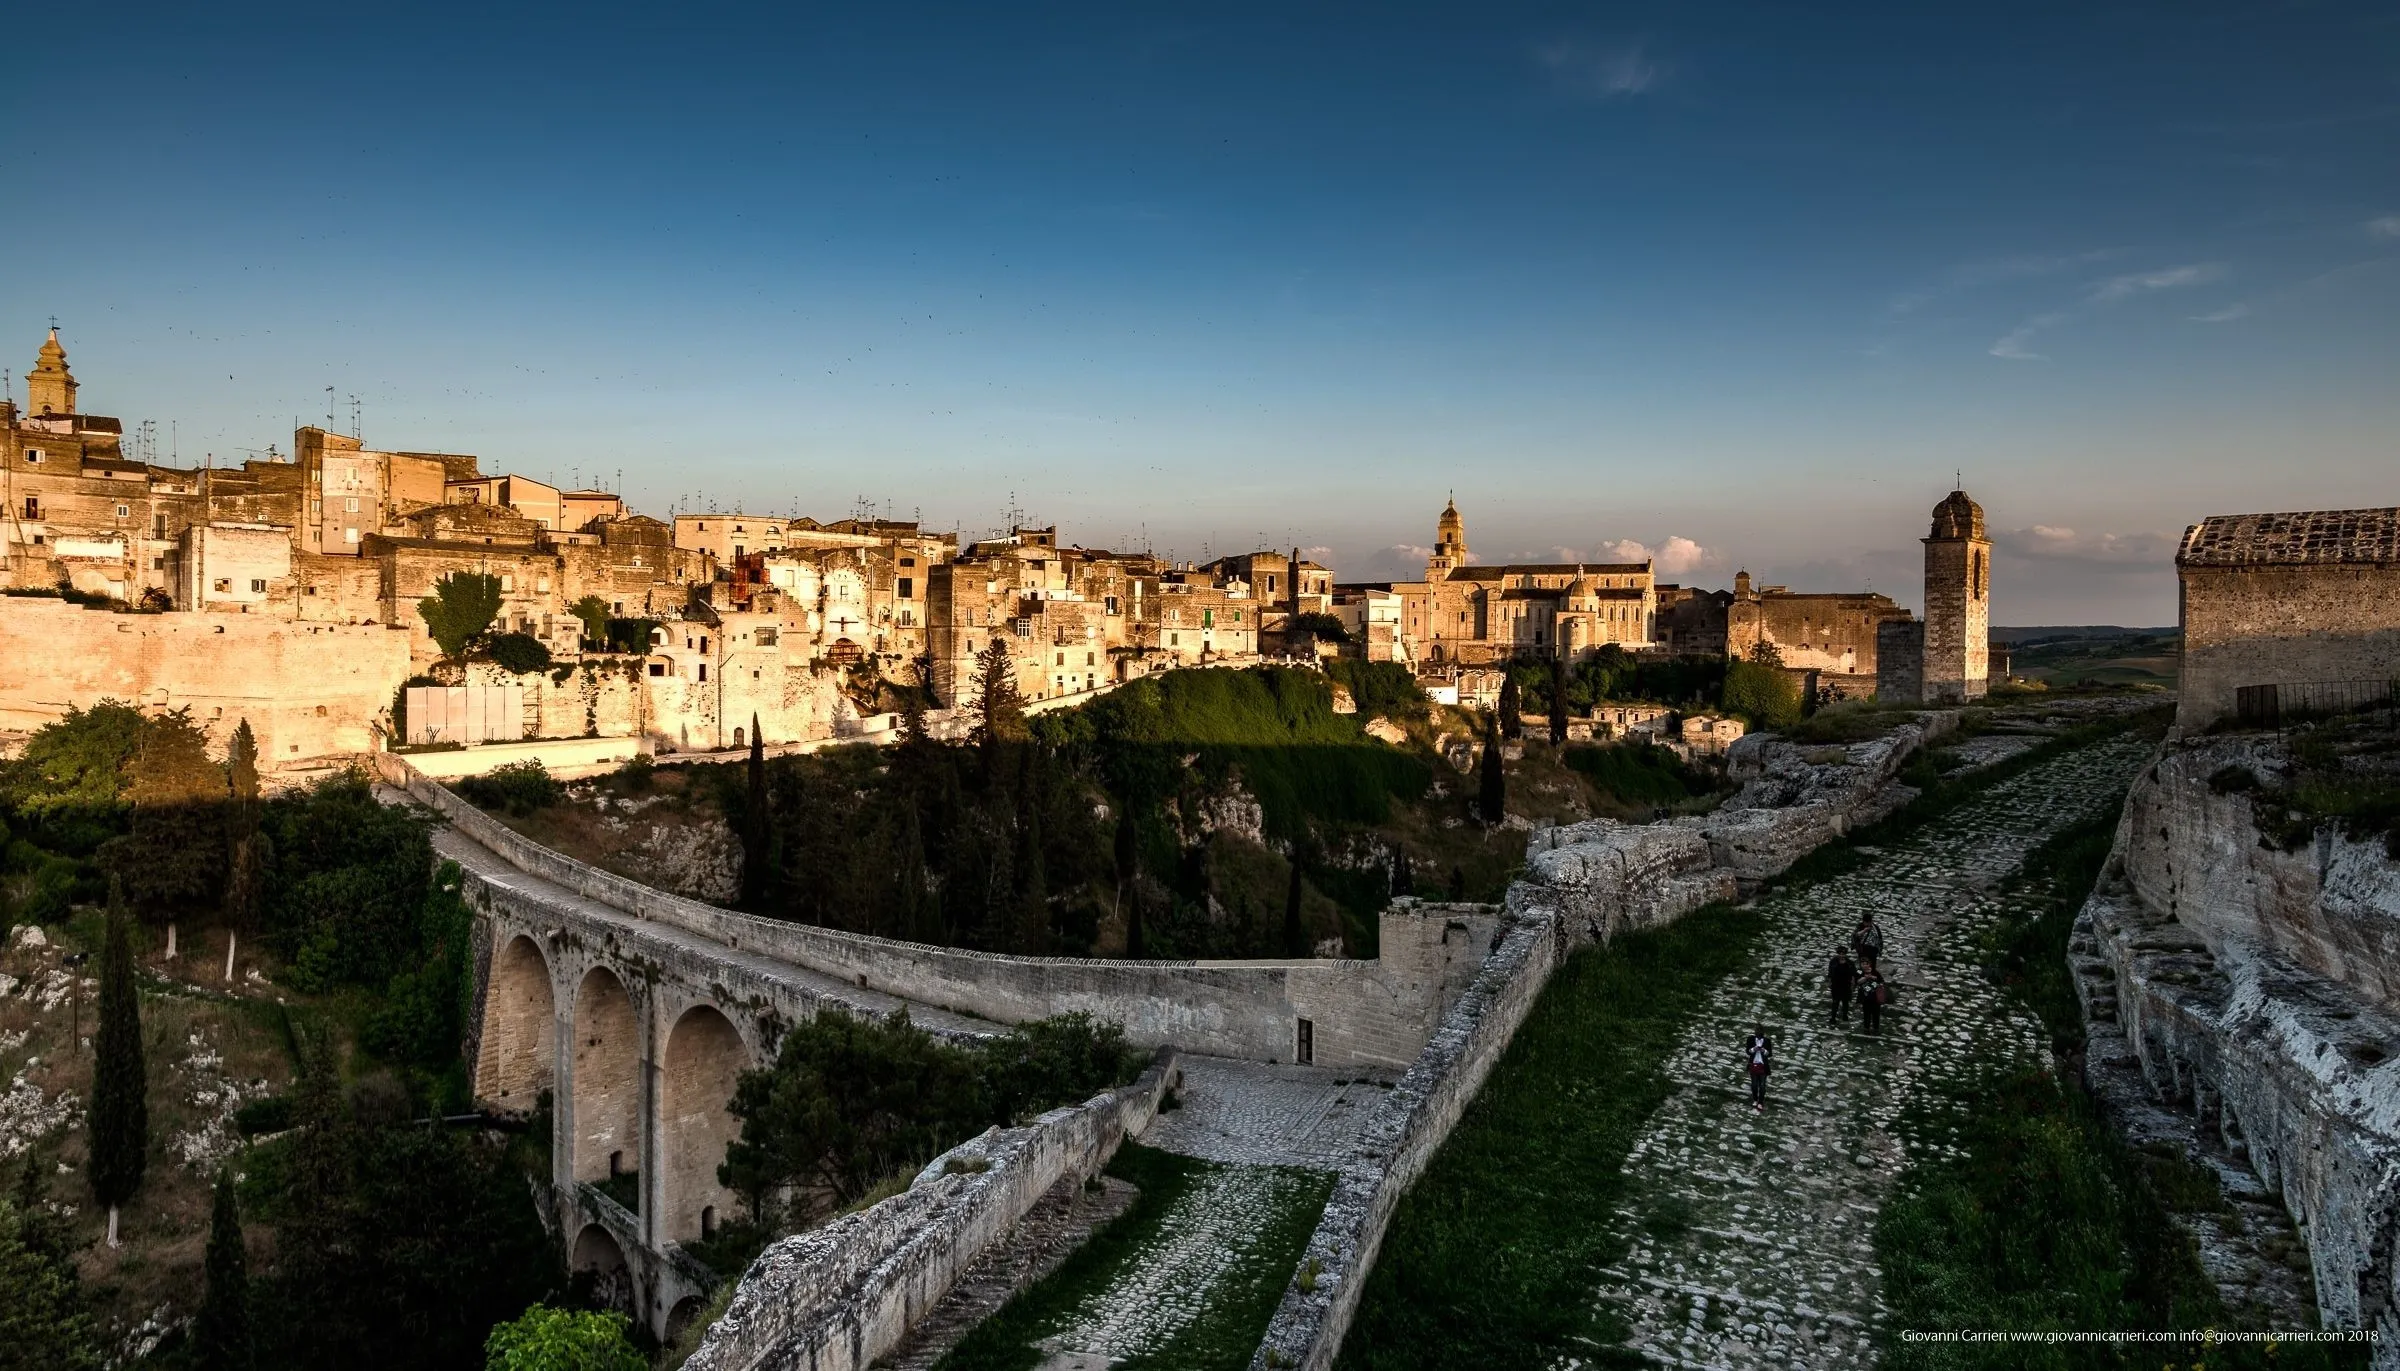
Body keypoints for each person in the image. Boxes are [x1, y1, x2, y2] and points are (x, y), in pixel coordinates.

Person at [1742, 1025, 1773, 1111]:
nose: (1758, 1033)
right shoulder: (1750, 1039)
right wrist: (1754, 1049)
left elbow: (1769, 1054)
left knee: (1762, 1085)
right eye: (1757, 1031)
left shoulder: (1767, 1041)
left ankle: (1760, 1102)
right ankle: (1755, 1099)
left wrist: (1764, 1051)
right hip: (1754, 1064)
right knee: (1754, 1085)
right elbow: (1748, 1051)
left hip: (1763, 1066)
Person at [1827, 948, 1857, 1024]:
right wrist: (1830, 982)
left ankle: (1845, 1016)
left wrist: (1853, 983)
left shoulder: (1850, 963)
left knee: (1845, 1001)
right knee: (1835, 1001)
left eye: (1843, 954)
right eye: (1840, 953)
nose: (1841, 955)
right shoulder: (1833, 961)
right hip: (1836, 984)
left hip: (1846, 985)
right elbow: (1830, 972)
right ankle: (1833, 1017)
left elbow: (1854, 973)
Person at [1858, 966, 1886, 1034]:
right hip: (1866, 999)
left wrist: (1875, 980)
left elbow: (1881, 982)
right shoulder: (1861, 973)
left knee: (1876, 1015)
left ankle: (1876, 1029)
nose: (1868, 969)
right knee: (1866, 1014)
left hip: (1876, 998)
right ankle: (1866, 1029)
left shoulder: (1876, 973)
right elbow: (1859, 982)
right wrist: (1867, 978)